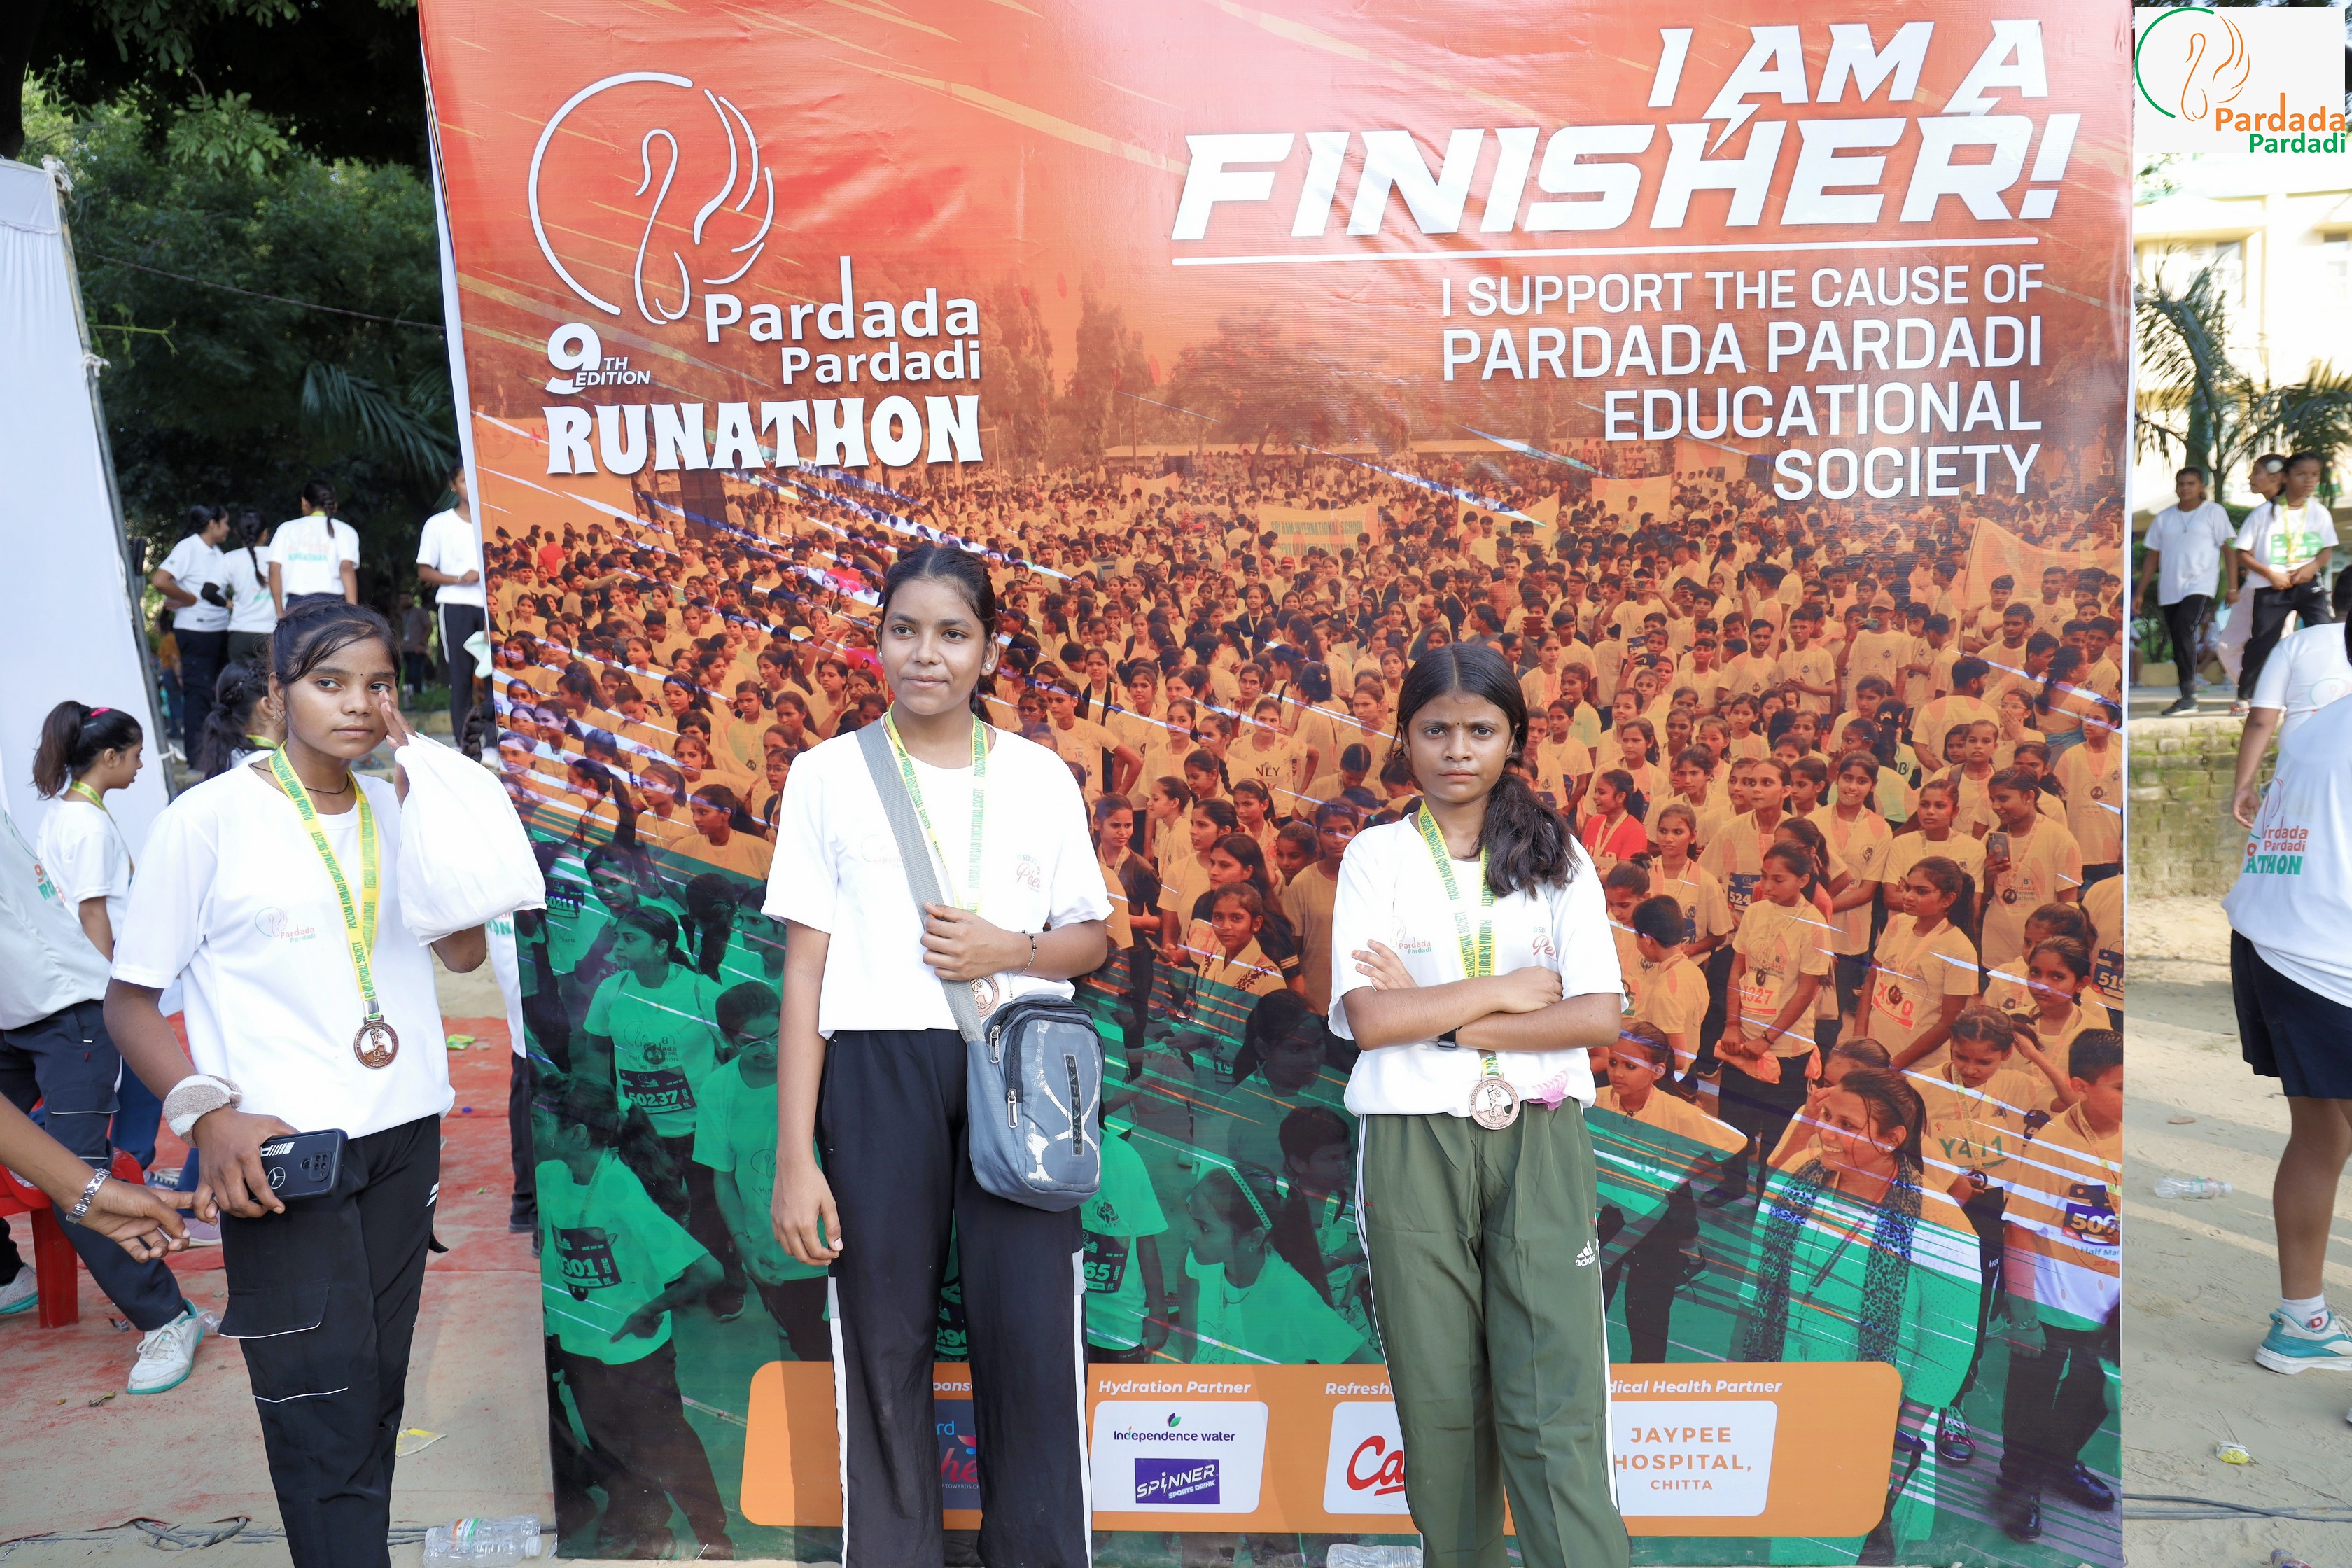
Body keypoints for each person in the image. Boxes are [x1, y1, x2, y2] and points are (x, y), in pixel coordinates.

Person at [104, 603, 491, 1568]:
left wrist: (437, 809)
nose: (359, 704)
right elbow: (130, 1002)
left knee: (376, 1389)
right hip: (281, 1155)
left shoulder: (398, 809)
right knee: (319, 1406)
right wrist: (209, 1119)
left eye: (378, 684)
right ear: (277, 695)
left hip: (405, 1135)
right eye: (330, 683)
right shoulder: (207, 821)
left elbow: (464, 949)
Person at [763, 544, 1112, 1568]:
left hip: (1023, 1076)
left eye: (953, 634)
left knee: (1032, 1343)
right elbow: (804, 973)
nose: (928, 654)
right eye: (904, 630)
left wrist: (1012, 949)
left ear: (990, 651)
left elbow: (1092, 939)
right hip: (878, 1074)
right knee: (884, 1342)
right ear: (875, 642)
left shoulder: (1040, 777)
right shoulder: (826, 776)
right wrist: (795, 1155)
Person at [1328, 643, 1630, 1568]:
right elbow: (1372, 1019)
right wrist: (1504, 992)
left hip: (1539, 1131)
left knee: (1555, 1395)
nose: (1458, 750)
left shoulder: (1558, 855)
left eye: (1480, 730)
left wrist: (1443, 1014)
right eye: (1436, 730)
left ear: (1513, 739)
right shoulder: (1377, 855)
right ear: (1405, 737)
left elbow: (1598, 1014)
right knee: (1439, 1399)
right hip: (1411, 1139)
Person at [0, 789, 205, 1388]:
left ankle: (167, 1317)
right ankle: (8, 1274)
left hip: (68, 1005)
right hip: (14, 1011)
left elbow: (92, 911)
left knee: (76, 1176)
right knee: (68, 1176)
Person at [2222, 677, 2352, 1412]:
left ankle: (2302, 1322)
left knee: (2322, 1132)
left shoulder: (2321, 723)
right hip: (2330, 960)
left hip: (2270, 943)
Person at [1993, 1031, 2122, 1541]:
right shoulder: (2054, 1146)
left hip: (2110, 1307)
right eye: (2120, 1088)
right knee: (2031, 1395)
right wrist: (2023, 1316)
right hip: (2052, 1303)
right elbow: (2019, 1229)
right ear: (2081, 1087)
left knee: (2094, 1392)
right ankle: (2016, 1481)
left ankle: (2060, 1460)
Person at [2230, 561, 2352, 827]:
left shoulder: (2295, 643)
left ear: (2332, 599)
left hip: (2300, 778)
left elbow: (2261, 721)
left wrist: (2243, 786)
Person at [32, 701, 145, 963]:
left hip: (79, 953)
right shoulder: (90, 826)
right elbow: (92, 913)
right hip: (104, 956)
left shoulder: (63, 811)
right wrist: (105, 981)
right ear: (111, 757)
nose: (140, 765)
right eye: (137, 755)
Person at [2233, 451, 2335, 710]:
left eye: (2314, 475)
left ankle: (2329, 688)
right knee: (2263, 640)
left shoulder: (2319, 512)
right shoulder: (2264, 513)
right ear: (2286, 477)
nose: (2309, 480)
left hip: (2307, 584)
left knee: (2324, 632)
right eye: (2302, 474)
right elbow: (2242, 552)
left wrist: (2312, 567)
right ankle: (2246, 696)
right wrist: (2270, 574)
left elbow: (2326, 550)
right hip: (2271, 587)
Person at [2138, 465, 2236, 715]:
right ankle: (2186, 696)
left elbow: (2229, 549)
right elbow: (2152, 556)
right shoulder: (2165, 518)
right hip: (2170, 587)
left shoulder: (2214, 512)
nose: (2186, 488)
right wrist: (2139, 592)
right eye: (2181, 484)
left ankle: (2190, 692)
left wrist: (2233, 587)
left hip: (2201, 584)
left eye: (2191, 484)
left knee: (2185, 627)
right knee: (2179, 637)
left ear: (2202, 486)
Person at [417, 463, 490, 755]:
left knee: (492, 675)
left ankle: (494, 743)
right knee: (460, 676)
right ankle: (465, 744)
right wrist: (460, 579)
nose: (469, 486)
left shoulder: (492, 520)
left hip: (491, 607)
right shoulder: (438, 524)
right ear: (453, 486)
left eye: (474, 479)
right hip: (455, 605)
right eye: (463, 480)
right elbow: (424, 571)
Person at [152, 504, 231, 757]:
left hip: (219, 629)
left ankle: (216, 753)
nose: (228, 529)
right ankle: (197, 758)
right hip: (196, 630)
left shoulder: (216, 552)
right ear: (212, 524)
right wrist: (188, 599)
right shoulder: (189, 547)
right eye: (225, 523)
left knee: (218, 692)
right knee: (198, 693)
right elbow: (160, 579)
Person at [268, 478, 362, 615]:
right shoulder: (345, 531)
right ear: (334, 503)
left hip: (296, 605)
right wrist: (352, 613)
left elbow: (274, 569)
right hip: (333, 606)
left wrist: (279, 612)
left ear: (304, 502)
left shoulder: (286, 529)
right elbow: (346, 569)